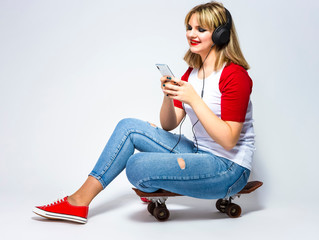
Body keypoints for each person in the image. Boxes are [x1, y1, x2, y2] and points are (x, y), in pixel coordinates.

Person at [33, 1, 255, 224]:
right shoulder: (192, 73)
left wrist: (194, 100)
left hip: (228, 169)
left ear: (220, 35)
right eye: (189, 27)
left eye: (200, 29)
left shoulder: (235, 76)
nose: (191, 34)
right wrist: (168, 96)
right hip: (199, 154)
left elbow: (228, 140)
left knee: (137, 166)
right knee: (128, 126)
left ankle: (159, 178)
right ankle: (78, 202)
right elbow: (169, 124)